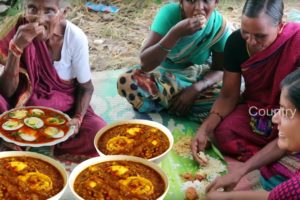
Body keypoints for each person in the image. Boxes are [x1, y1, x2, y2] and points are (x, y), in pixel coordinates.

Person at [192, 0, 300, 165]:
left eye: (260, 36)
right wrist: (205, 128)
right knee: (223, 132)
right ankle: (274, 156)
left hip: (293, 114)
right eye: (245, 33)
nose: (250, 41)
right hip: (258, 110)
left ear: (279, 26)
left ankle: (273, 155)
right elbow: (228, 96)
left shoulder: (296, 44)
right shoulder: (236, 43)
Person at [0, 0, 106, 159]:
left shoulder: (75, 38)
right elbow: (7, 92)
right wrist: (16, 48)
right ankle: (18, 140)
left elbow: (86, 87)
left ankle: (21, 140)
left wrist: (77, 119)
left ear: (63, 13)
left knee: (98, 132)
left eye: (49, 11)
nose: (39, 19)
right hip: (20, 109)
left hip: (63, 112)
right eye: (32, 9)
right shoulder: (17, 31)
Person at [117, 0, 231, 122]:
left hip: (196, 76)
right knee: (128, 81)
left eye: (206, 1)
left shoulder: (219, 26)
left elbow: (220, 69)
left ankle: (166, 103)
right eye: (191, 1)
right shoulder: (169, 14)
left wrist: (196, 89)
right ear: (181, 2)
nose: (199, 8)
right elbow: (145, 64)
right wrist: (175, 33)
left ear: (216, 2)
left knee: (231, 92)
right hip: (163, 74)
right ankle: (182, 106)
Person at [205, 69, 300, 200]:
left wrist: (228, 198)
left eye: (286, 112)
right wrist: (239, 172)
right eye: (280, 109)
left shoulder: (296, 189)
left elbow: (278, 196)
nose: (275, 119)